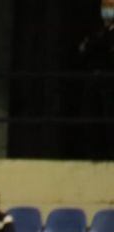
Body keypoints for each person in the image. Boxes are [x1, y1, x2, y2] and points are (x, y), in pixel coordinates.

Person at [78, 0, 114, 159]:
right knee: (91, 116)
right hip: (94, 78)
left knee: (109, 118)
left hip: (110, 81)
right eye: (105, 7)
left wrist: (97, 44)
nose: (107, 11)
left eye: (111, 7)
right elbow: (83, 49)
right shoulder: (96, 31)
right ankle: (93, 153)